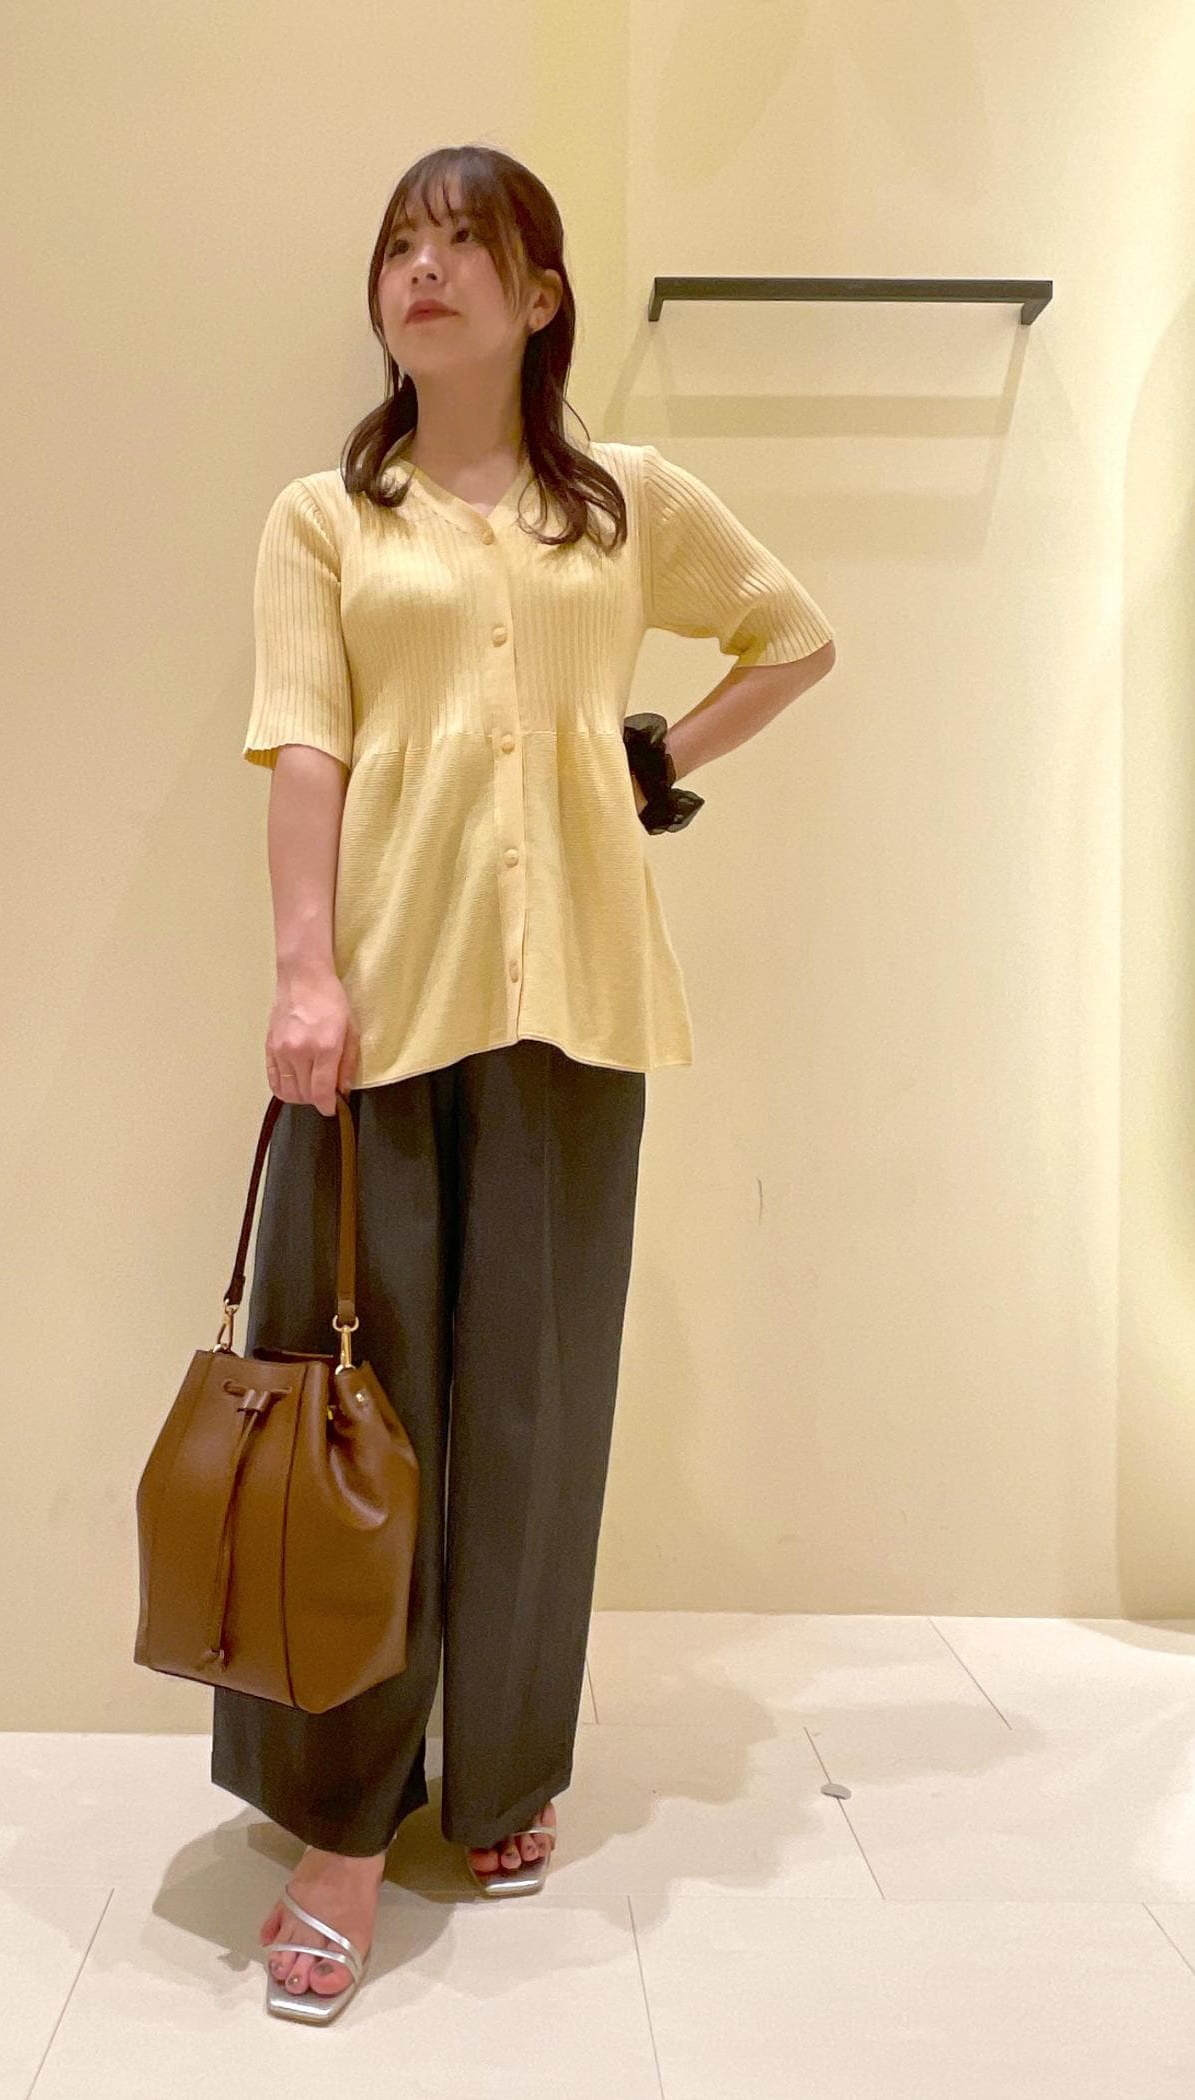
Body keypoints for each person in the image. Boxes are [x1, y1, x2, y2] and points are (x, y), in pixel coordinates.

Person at [215, 142, 838, 2022]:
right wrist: (304, 974)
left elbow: (794, 636)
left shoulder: (626, 507)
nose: (424, 269)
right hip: (384, 1016)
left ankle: (499, 1771)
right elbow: (305, 746)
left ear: (538, 294)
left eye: (463, 243)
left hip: (579, 1009)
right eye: (400, 243)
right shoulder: (325, 519)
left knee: (536, 1414)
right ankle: (343, 1822)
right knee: (359, 1423)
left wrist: (651, 758)